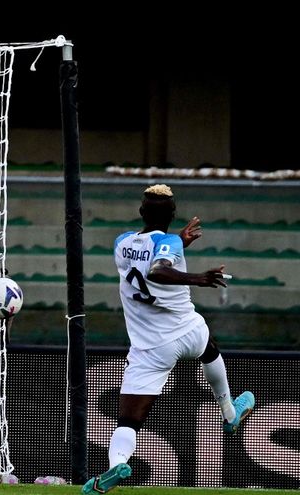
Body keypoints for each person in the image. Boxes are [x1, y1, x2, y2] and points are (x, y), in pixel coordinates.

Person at [82, 184, 255, 494]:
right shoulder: (169, 241)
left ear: (141, 212)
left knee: (128, 421)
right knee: (211, 352)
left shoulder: (122, 242)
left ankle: (114, 468)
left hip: (151, 347)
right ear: (173, 215)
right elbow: (158, 270)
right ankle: (229, 413)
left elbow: (145, 262)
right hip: (187, 329)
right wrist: (197, 278)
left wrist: (179, 246)